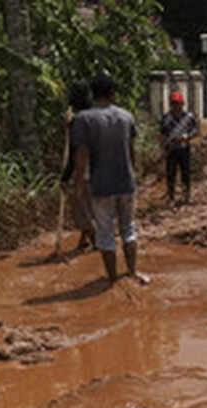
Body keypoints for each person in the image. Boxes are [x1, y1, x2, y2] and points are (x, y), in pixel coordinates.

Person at [73, 73, 146, 284]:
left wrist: (78, 186)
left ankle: (112, 279)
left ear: (93, 94)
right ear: (112, 93)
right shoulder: (126, 117)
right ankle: (131, 273)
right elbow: (132, 152)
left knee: (105, 234)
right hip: (126, 181)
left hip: (101, 185)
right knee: (128, 229)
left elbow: (81, 156)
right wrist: (135, 175)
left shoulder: (83, 119)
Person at [60, 79, 96, 251]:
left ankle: (98, 241)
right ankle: (84, 239)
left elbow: (75, 152)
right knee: (90, 207)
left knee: (81, 209)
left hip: (85, 170)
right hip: (100, 168)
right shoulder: (96, 116)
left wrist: (66, 176)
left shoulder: (77, 121)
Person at [159, 90, 198, 205]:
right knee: (171, 173)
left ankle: (186, 196)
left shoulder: (188, 118)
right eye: (174, 103)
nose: (176, 106)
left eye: (178, 103)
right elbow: (161, 133)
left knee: (185, 173)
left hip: (184, 148)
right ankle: (171, 196)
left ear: (182, 104)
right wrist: (165, 144)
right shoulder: (166, 118)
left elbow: (195, 130)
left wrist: (187, 137)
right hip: (171, 149)